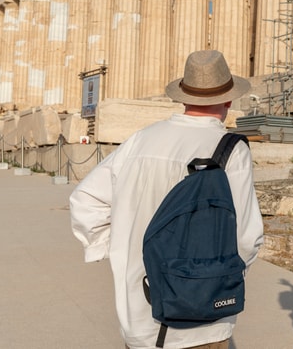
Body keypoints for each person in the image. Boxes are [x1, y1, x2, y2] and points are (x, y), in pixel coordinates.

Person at [69, 50, 264, 349]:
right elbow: (247, 238)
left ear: (184, 97)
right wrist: (217, 277)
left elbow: (85, 200)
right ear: (228, 99)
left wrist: (121, 247)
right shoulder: (230, 150)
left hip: (139, 313)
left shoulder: (140, 140)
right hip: (203, 322)